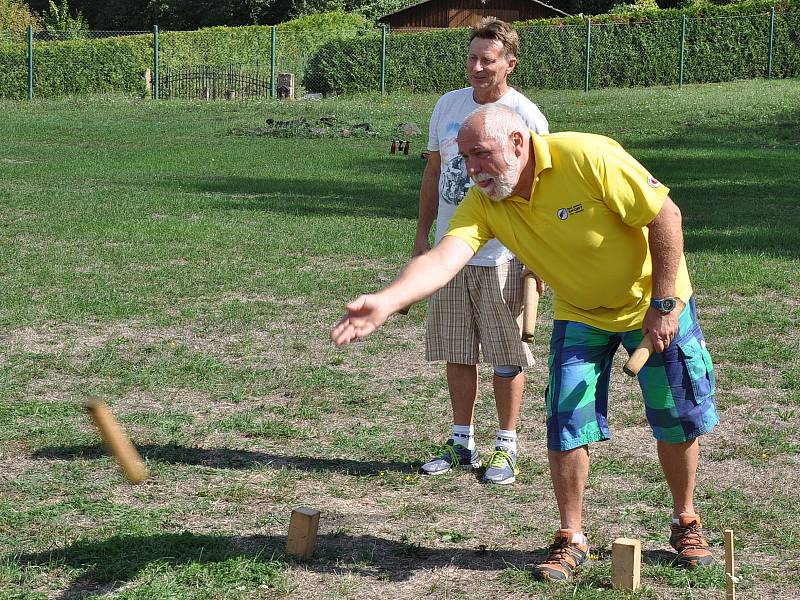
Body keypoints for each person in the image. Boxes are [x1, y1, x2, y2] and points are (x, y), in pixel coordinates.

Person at [332, 104, 719, 581]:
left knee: (674, 417)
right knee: (566, 421)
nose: (472, 169)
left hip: (654, 306)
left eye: (480, 155)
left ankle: (686, 520)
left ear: (518, 143)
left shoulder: (588, 156)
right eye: (464, 157)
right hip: (580, 314)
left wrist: (664, 305)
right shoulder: (485, 201)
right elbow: (443, 258)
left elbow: (665, 215)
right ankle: (571, 537)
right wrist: (388, 300)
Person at [413, 17, 549, 485]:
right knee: (457, 350)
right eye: (471, 58)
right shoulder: (448, 105)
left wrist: (538, 258)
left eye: (486, 60)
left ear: (509, 64)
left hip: (504, 255)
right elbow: (433, 174)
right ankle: (460, 442)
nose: (475, 67)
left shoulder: (526, 115)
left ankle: (506, 447)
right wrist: (422, 238)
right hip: (452, 251)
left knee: (505, 352)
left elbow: (542, 192)